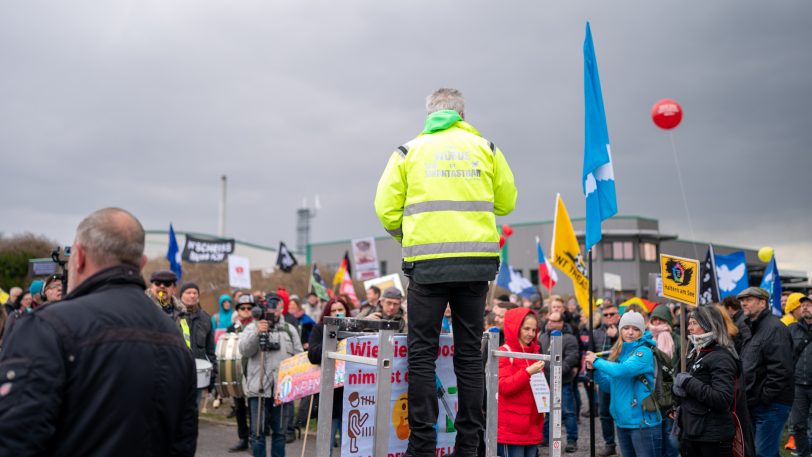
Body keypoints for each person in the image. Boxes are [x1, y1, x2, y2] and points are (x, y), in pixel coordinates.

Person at [375, 87, 517, 457]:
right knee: (469, 356)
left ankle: (421, 445)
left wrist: (409, 237)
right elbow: (507, 201)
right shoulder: (486, 148)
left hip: (427, 267)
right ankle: (469, 446)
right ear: (462, 114)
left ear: (430, 114)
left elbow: (385, 208)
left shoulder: (408, 151)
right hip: (476, 265)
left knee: (422, 353)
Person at [0, 207, 197, 455]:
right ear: (142, 264)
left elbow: (13, 441)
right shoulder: (176, 340)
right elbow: (183, 446)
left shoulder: (45, 328)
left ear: (79, 257)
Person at [585, 311, 662, 457]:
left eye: (635, 329)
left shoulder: (644, 352)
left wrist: (596, 361)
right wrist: (595, 371)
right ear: (620, 330)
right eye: (626, 328)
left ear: (642, 331)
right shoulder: (620, 352)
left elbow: (622, 371)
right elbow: (609, 385)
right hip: (622, 422)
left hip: (643, 423)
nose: (630, 332)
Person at [240, 292, 303, 457]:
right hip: (258, 389)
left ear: (282, 308)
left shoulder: (290, 330)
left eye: (278, 305)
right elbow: (244, 350)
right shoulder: (252, 327)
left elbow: (299, 357)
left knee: (280, 434)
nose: (274, 309)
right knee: (257, 434)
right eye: (271, 305)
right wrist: (257, 333)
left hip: (281, 391)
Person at [672, 305, 739, 457]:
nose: (689, 328)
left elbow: (722, 398)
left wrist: (688, 383)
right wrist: (675, 393)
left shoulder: (721, 357)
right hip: (692, 431)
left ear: (710, 324)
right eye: (689, 323)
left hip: (712, 437)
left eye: (694, 323)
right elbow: (681, 383)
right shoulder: (694, 352)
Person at [738, 286, 794, 457]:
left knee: (763, 453)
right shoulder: (751, 328)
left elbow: (781, 370)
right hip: (755, 402)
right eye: (742, 300)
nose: (743, 304)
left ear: (762, 303)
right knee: (760, 451)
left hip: (770, 405)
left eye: (748, 300)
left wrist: (764, 398)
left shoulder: (775, 328)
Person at [497, 308, 544, 457]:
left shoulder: (534, 353)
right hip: (511, 428)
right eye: (526, 329)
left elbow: (539, 386)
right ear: (515, 327)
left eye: (534, 330)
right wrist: (528, 372)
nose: (531, 333)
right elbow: (504, 386)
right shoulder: (504, 352)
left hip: (531, 425)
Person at [308, 298, 352, 456]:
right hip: (330, 394)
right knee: (326, 446)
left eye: (341, 309)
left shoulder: (353, 329)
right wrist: (331, 341)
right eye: (333, 311)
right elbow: (312, 355)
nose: (337, 313)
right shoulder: (320, 329)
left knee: (351, 445)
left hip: (351, 394)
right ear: (327, 313)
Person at [540, 312, 580, 452]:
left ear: (562, 322)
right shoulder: (543, 336)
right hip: (546, 380)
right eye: (549, 320)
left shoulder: (569, 339)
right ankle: (545, 437)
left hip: (563, 380)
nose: (550, 323)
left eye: (554, 321)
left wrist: (557, 372)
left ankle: (572, 440)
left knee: (568, 411)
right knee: (546, 410)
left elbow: (571, 358)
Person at [587, 303, 621, 457]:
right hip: (602, 378)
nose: (608, 317)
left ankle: (626, 444)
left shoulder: (625, 331)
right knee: (604, 413)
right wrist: (592, 377)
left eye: (612, 314)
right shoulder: (595, 333)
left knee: (621, 413)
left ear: (618, 315)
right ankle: (609, 444)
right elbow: (590, 355)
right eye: (606, 314)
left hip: (620, 378)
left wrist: (616, 337)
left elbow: (626, 350)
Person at [226, 295, 256, 453]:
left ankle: (253, 439)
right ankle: (243, 438)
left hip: (253, 372)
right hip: (236, 372)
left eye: (249, 308)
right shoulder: (232, 328)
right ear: (237, 311)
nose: (246, 311)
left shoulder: (257, 326)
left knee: (253, 407)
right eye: (242, 308)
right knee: (239, 407)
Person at [180, 281, 218, 406]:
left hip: (197, 373)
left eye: (195, 293)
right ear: (181, 295)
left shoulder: (206, 318)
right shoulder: (174, 315)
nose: (192, 295)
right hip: (177, 371)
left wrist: (212, 374)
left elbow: (210, 349)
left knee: (193, 410)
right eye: (188, 292)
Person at [789, 294, 812, 457]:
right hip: (797, 386)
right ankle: (804, 454)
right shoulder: (792, 329)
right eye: (803, 304)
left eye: (809, 304)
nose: (804, 306)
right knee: (798, 425)